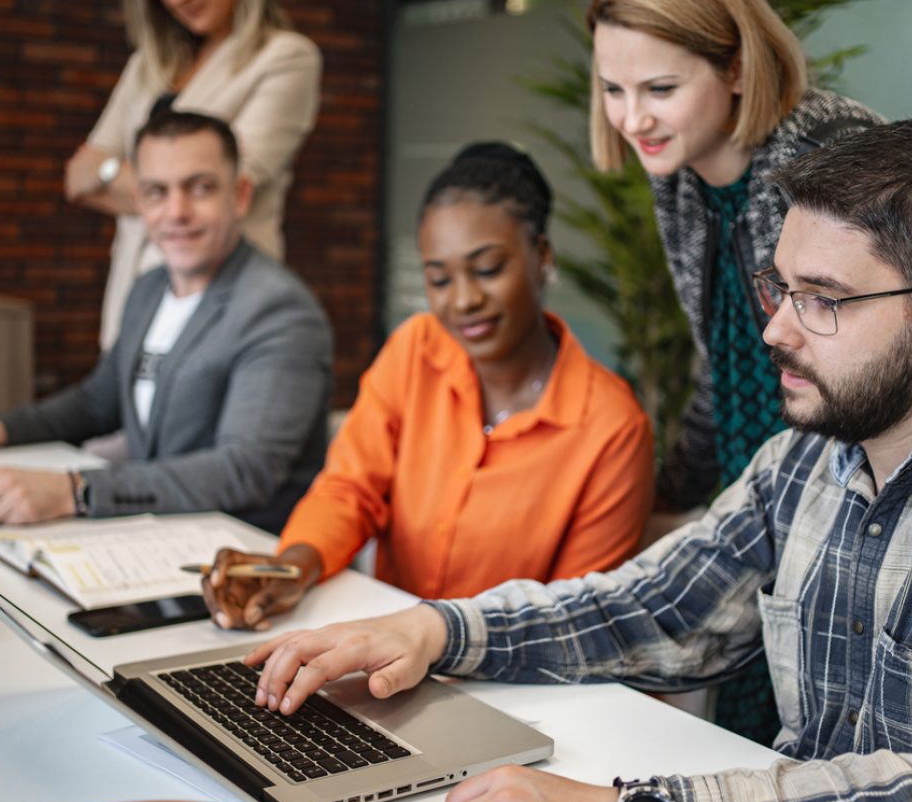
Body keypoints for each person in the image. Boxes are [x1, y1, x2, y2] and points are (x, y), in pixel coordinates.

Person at [241, 122, 912, 802]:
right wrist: (434, 628)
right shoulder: (804, 461)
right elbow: (657, 608)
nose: (774, 329)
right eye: (779, 289)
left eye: (823, 299)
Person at [586, 0, 912, 743]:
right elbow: (727, 361)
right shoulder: (679, 178)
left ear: (736, 68)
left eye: (661, 87)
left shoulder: (821, 163)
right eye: (612, 87)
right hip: (787, 475)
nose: (632, 116)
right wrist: (666, 493)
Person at [202, 143, 654, 630]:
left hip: (516, 687)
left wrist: (434, 644)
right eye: (439, 279)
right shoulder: (416, 348)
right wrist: (289, 567)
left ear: (542, 256)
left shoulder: (611, 427)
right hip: (386, 660)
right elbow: (350, 490)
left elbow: (572, 621)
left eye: (487, 270)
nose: (463, 301)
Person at [0, 111, 331, 533]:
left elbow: (244, 470)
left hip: (242, 556)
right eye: (157, 191)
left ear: (240, 196)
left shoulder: (279, 309)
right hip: (154, 532)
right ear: (139, 201)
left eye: (200, 188)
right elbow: (98, 402)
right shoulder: (149, 289)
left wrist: (76, 490)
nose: (176, 212)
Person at [66, 0, 320, 348]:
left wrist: (111, 176)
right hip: (130, 294)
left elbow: (224, 190)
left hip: (220, 297)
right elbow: (77, 177)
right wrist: (105, 169)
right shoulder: (148, 66)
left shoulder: (285, 57)